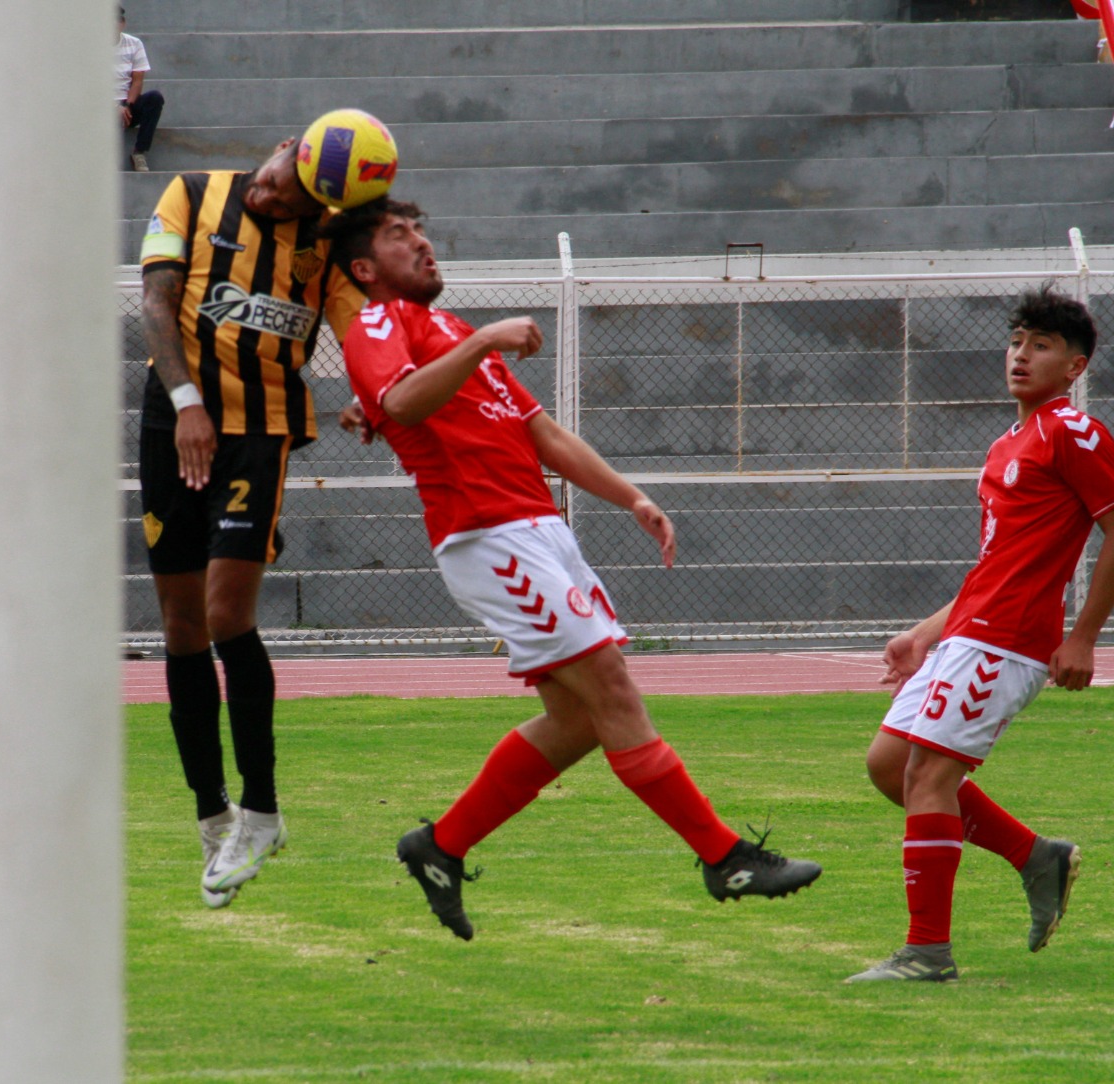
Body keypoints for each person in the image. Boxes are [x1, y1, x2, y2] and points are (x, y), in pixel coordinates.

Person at [323, 199, 822, 940]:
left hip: (536, 531)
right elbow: (398, 401)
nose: (422, 242)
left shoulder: (452, 333)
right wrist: (486, 338)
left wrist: (634, 499)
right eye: (399, 236)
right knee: (615, 691)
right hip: (486, 534)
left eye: (421, 229)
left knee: (583, 721)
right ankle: (726, 858)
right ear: (364, 269)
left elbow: (543, 434)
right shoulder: (378, 323)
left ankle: (441, 846)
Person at [845, 287, 1108, 983]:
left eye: (1042, 345)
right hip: (971, 630)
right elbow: (995, 563)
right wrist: (922, 634)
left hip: (1010, 640)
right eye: (1017, 340)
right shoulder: (1007, 444)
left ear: (1074, 367)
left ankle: (927, 952)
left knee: (929, 775)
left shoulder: (1073, 433)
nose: (1022, 355)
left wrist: (1084, 635)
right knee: (886, 765)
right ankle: (1035, 856)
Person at [139, 130, 366, 908]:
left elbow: (360, 332)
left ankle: (262, 807)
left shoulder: (325, 244)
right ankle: (212, 815)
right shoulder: (193, 192)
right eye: (274, 182)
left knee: (225, 611)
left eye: (293, 201)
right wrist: (187, 403)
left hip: (259, 433)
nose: (271, 198)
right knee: (179, 627)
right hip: (173, 420)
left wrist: (376, 399)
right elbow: (156, 302)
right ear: (278, 151)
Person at [116, 6, 164, 172]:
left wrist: (126, 106)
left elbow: (137, 81)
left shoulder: (134, 44)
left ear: (122, 24)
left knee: (154, 98)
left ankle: (139, 153)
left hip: (126, 104)